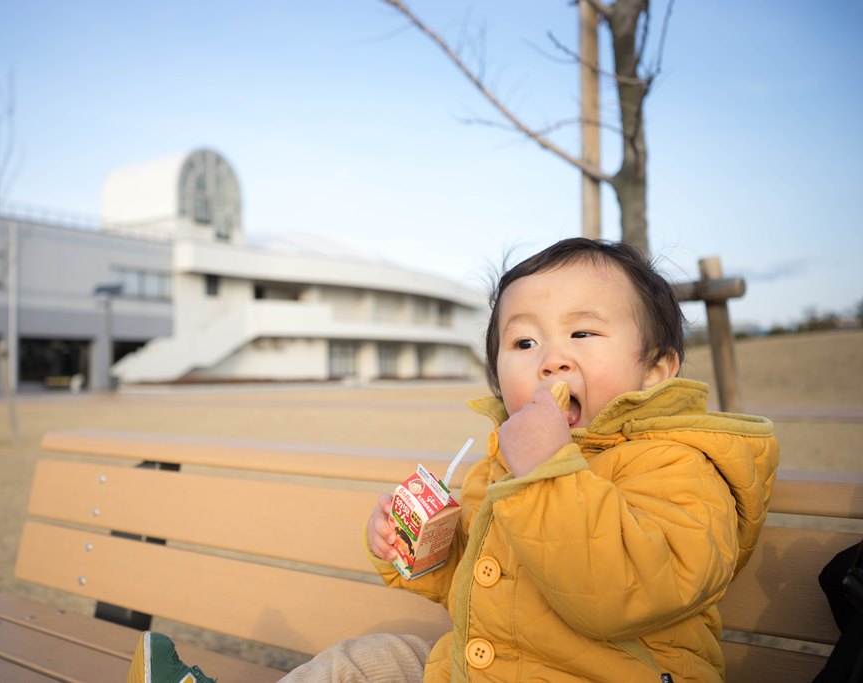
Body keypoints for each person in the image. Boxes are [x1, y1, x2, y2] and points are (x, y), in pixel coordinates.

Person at [127, 238, 781, 683]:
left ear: (657, 368)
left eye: (582, 332)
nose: (550, 357)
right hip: (482, 667)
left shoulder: (678, 464)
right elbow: (481, 580)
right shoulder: (507, 462)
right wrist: (423, 547)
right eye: (524, 340)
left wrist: (544, 471)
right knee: (375, 660)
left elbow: (620, 593)